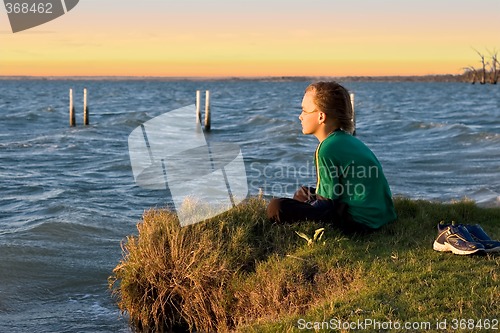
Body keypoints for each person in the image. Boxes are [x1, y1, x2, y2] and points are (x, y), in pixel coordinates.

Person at [267, 81, 397, 234]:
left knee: (276, 207)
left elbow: (328, 202)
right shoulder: (347, 140)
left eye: (304, 111)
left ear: (321, 116)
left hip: (359, 223)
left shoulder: (327, 148)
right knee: (302, 193)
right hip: (380, 216)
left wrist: (308, 209)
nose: (300, 116)